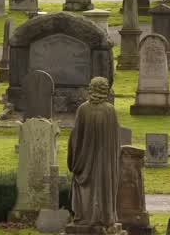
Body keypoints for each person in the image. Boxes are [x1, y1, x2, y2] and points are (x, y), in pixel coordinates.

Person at [67, 77, 119, 231]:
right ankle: (105, 216)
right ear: (105, 89)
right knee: (103, 184)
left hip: (85, 160)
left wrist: (75, 160)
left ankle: (85, 216)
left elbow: (76, 137)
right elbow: (115, 141)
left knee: (86, 185)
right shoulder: (110, 110)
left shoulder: (83, 109)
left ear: (91, 89)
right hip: (105, 162)